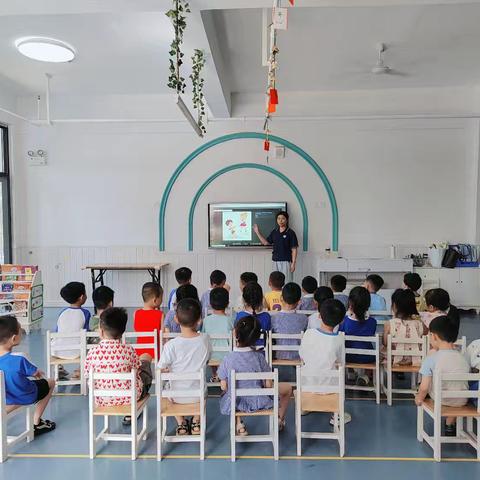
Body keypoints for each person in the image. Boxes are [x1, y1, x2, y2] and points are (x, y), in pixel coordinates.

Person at [218, 315, 292, 435]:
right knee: (288, 389)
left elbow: (223, 386)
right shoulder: (259, 357)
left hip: (237, 402)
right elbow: (268, 385)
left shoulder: (228, 358)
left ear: (235, 333)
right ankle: (279, 420)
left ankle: (239, 423)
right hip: (260, 400)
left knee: (230, 393)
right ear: (257, 337)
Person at [84, 307, 153, 426]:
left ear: (100, 331)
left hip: (101, 399)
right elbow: (137, 370)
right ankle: (132, 413)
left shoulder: (92, 353)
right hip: (129, 398)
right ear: (122, 332)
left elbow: (87, 375)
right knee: (145, 360)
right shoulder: (128, 350)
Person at [159, 299, 211, 436]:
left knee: (164, 388)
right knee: (205, 390)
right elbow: (207, 360)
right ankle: (196, 420)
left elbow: (160, 368)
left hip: (176, 397)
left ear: (176, 319)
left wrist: (168, 370)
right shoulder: (205, 340)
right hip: (198, 396)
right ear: (199, 320)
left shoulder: (170, 345)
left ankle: (181, 422)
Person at [0, 315, 56, 436]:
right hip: (27, 395)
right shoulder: (20, 358)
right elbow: (36, 373)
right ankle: (36, 422)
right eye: (20, 330)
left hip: (5, 398)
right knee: (50, 382)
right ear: (14, 338)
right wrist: (37, 373)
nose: (22, 332)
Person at [415, 315, 470, 436]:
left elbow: (424, 388)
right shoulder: (464, 357)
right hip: (462, 400)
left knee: (424, 387)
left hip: (442, 399)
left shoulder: (431, 358)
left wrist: (419, 399)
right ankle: (450, 424)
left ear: (434, 336)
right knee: (455, 386)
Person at [299, 299, 351, 425]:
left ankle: (306, 407)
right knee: (338, 373)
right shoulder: (339, 339)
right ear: (341, 321)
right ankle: (336, 415)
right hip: (330, 390)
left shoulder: (308, 333)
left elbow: (302, 356)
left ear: (319, 316)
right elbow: (341, 363)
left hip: (307, 386)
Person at [339, 286, 377, 386]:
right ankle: (365, 376)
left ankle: (351, 372)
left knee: (346, 345)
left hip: (348, 356)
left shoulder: (345, 321)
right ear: (368, 304)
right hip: (367, 357)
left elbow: (340, 336)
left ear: (350, 304)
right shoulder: (372, 322)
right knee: (371, 353)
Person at [52, 281, 91, 379]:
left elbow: (57, 331)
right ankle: (79, 370)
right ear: (81, 297)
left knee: (56, 341)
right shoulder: (85, 313)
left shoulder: (62, 313)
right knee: (90, 343)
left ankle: (59, 368)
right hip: (77, 351)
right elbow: (86, 332)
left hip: (57, 351)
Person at [382, 289, 427, 366]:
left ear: (394, 306)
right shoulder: (420, 324)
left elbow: (385, 343)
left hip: (394, 359)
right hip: (415, 359)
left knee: (383, 352)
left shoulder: (390, 324)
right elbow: (425, 340)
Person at [253, 211, 299, 283]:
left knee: (286, 282)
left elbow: (294, 249)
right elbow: (266, 243)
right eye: (278, 218)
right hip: (275, 261)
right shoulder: (275, 232)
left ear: (287, 220)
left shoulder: (290, 232)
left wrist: (293, 263)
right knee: (276, 283)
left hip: (286, 261)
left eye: (283, 218)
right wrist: (257, 232)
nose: (280, 221)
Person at [201, 287, 234, 382]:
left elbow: (203, 337)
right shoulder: (230, 320)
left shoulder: (206, 320)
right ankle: (224, 375)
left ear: (210, 304)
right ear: (227, 303)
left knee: (211, 348)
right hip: (227, 355)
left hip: (210, 355)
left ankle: (215, 374)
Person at [271, 283, 308, 360]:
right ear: (299, 302)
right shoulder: (304, 319)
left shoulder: (273, 318)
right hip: (298, 359)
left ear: (281, 298)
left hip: (279, 358)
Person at [235, 282, 271, 346]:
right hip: (262, 353)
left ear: (243, 299)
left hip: (243, 353)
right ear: (261, 299)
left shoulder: (240, 316)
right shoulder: (266, 316)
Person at [133, 282, 164, 358]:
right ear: (155, 300)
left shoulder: (136, 313)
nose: (162, 300)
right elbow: (163, 335)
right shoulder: (160, 314)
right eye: (161, 298)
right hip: (155, 352)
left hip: (139, 352)